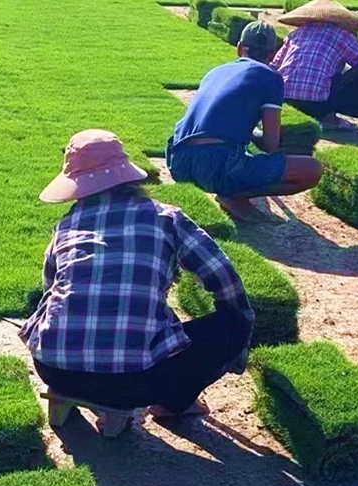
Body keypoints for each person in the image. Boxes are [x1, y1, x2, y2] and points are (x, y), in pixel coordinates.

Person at [19, 129, 255, 425]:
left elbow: (49, 289)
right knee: (232, 325)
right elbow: (224, 278)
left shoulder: (67, 225)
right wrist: (240, 327)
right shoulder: (167, 218)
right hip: (133, 382)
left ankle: (66, 393)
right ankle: (170, 403)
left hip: (52, 366)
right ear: (128, 177)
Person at [165, 21, 322, 222]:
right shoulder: (271, 78)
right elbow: (270, 145)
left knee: (240, 155)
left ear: (239, 48)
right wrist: (252, 131)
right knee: (312, 169)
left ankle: (231, 190)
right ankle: (233, 196)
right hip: (217, 164)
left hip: (178, 161)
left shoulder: (215, 72)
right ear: (273, 54)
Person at [271, 0, 358, 130]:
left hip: (283, 99)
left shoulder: (296, 33)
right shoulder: (339, 34)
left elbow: (275, 65)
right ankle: (330, 117)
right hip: (317, 104)